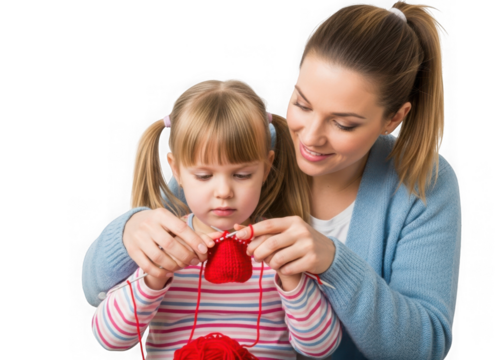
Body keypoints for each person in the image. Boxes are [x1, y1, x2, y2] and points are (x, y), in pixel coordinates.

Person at [82, 2, 461, 359]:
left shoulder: (421, 181)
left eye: (343, 123)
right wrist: (129, 231)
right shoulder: (242, 155)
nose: (310, 137)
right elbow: (95, 290)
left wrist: (333, 262)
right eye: (302, 103)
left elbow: (425, 345)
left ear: (394, 118)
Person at [88, 78, 342, 359]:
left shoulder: (282, 243)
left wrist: (291, 278)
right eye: (204, 176)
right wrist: (154, 277)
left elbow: (321, 347)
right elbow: (109, 338)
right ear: (178, 170)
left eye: (242, 175)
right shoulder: (163, 241)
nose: (223, 192)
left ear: (266, 167)